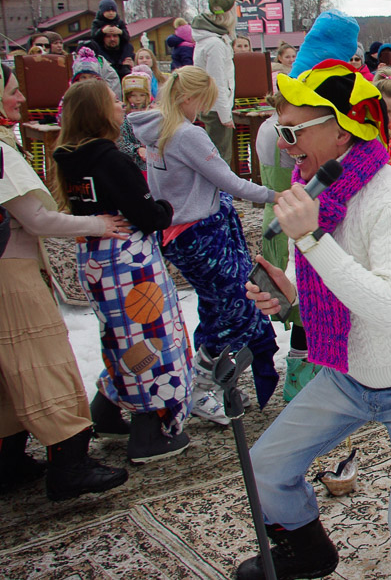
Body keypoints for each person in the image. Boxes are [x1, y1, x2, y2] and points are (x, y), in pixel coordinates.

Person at [236, 59, 391, 580]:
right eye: (279, 129)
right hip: (348, 373)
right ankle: (309, 552)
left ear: (341, 133)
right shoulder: (317, 192)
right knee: (265, 468)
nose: (284, 142)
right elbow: (332, 290)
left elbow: (383, 303)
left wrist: (310, 241)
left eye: (292, 130)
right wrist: (289, 297)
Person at [1, 66, 130, 500]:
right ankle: (69, 464)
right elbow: (35, 219)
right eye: (13, 91)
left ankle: (9, 461)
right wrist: (98, 223)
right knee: (43, 361)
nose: (21, 99)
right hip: (10, 274)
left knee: (8, 372)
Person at [129, 67, 280, 423]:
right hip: (202, 234)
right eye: (205, 102)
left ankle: (206, 380)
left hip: (178, 234)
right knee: (239, 305)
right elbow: (230, 182)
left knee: (216, 306)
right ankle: (200, 384)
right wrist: (280, 194)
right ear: (188, 98)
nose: (207, 111)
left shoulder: (157, 130)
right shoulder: (187, 135)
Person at [52, 81, 192, 463]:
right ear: (98, 112)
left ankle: (106, 409)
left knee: (119, 337)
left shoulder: (68, 158)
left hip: (95, 257)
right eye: (113, 100)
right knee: (151, 340)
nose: (119, 105)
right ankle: (150, 429)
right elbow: (148, 215)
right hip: (131, 266)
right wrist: (164, 206)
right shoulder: (111, 159)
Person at [191, 0, 239, 164]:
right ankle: (221, 192)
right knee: (220, 160)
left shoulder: (212, 40)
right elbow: (216, 81)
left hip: (213, 108)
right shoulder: (215, 44)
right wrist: (225, 115)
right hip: (216, 110)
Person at [90, 0, 133, 78]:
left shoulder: (119, 22)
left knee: (128, 46)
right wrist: (102, 31)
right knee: (95, 46)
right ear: (102, 11)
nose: (111, 13)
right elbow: (94, 36)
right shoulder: (97, 22)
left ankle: (123, 65)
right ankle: (108, 63)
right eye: (108, 11)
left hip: (119, 50)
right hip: (103, 48)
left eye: (113, 11)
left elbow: (127, 37)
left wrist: (120, 32)